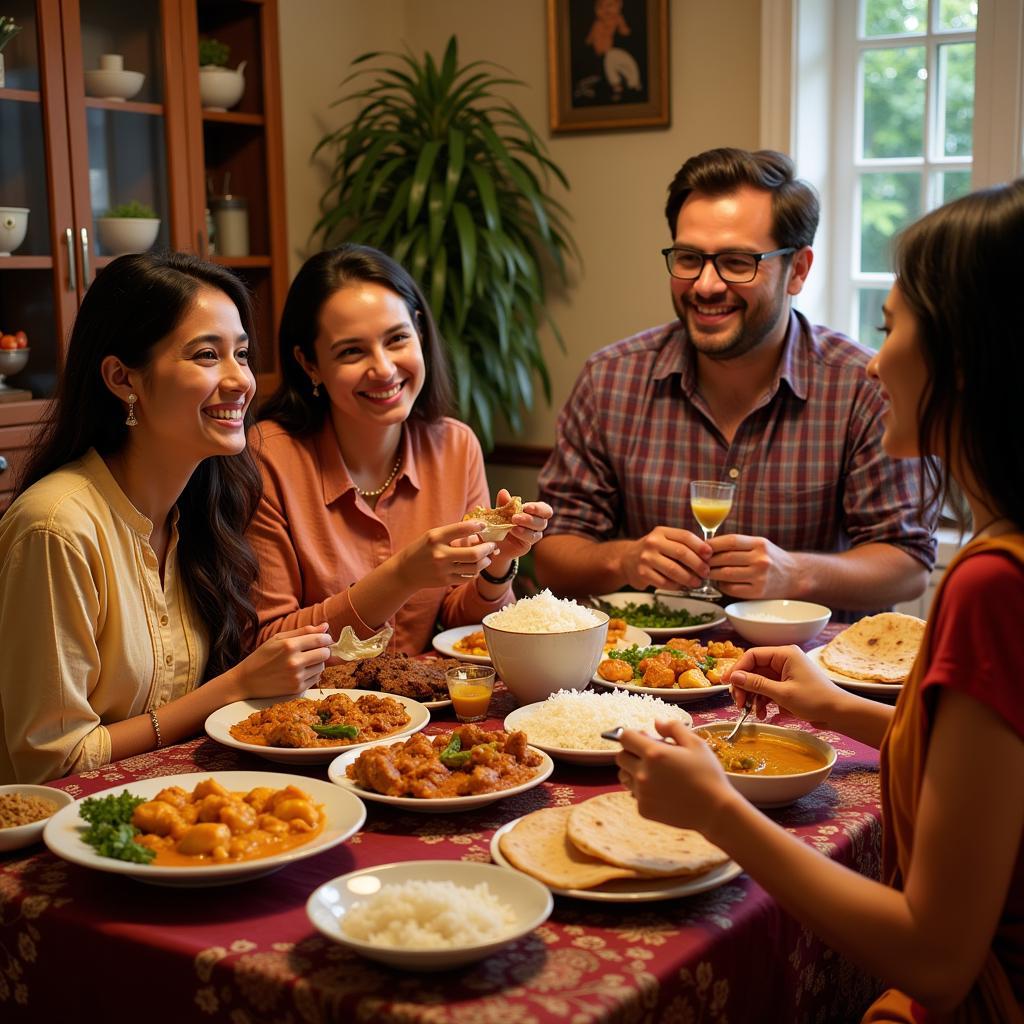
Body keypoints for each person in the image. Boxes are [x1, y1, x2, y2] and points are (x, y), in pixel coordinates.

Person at [617, 181, 1024, 1020]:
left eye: (894, 329)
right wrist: (836, 707)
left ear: (964, 357)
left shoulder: (994, 585)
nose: (876, 361)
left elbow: (936, 959)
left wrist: (717, 810)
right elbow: (982, 771)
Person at [534, 148, 936, 614]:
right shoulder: (611, 380)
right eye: (688, 258)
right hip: (643, 673)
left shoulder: (861, 388)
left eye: (737, 262)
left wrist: (797, 573)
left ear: (798, 270)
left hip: (809, 673)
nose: (705, 285)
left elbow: (907, 566)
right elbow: (552, 556)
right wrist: (624, 559)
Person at [0, 252, 334, 785]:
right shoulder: (56, 528)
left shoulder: (197, 512)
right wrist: (234, 688)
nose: (240, 381)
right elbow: (51, 761)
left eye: (242, 354)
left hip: (172, 800)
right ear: (121, 378)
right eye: (206, 355)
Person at [249, 244, 552, 654]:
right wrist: (401, 575)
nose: (385, 369)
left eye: (396, 339)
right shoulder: (269, 456)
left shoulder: (456, 446)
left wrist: (497, 564)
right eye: (352, 351)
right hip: (312, 710)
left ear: (420, 333)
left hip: (432, 709)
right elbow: (268, 643)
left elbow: (461, 630)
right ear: (309, 363)